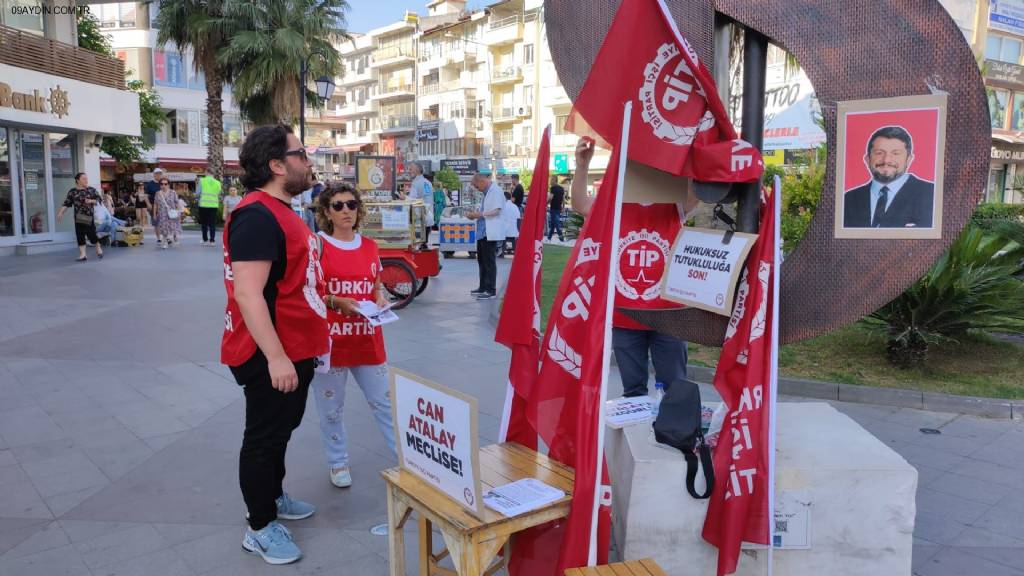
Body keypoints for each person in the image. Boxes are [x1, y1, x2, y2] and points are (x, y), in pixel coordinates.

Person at [221, 124, 327, 565]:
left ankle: (273, 494)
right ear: (277, 165)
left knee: (282, 430)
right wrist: (277, 357)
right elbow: (248, 293)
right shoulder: (257, 216)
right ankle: (260, 525)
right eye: (301, 154)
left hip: (294, 347)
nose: (308, 161)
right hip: (268, 353)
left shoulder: (282, 211)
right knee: (264, 438)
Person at [572, 137, 697, 397]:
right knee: (633, 391)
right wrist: (582, 166)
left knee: (675, 389)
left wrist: (690, 152)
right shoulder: (615, 204)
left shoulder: (674, 202)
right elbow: (581, 204)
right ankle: (636, 434)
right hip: (625, 316)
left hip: (668, 316)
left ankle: (671, 436)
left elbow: (698, 190)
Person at [312, 182, 397, 489]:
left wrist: (381, 299)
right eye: (338, 205)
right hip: (331, 343)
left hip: (367, 339)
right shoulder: (317, 246)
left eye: (351, 204)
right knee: (331, 410)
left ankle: (406, 462)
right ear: (326, 212)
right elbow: (307, 292)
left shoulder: (370, 246)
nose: (346, 210)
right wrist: (336, 302)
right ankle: (337, 462)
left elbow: (374, 286)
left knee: (385, 404)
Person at [843, 125, 935, 229]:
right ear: (867, 159)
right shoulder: (847, 200)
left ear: (909, 159)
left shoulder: (932, 194)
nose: (886, 160)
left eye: (895, 153)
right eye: (879, 153)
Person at [466, 172, 505, 300]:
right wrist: (478, 213)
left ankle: (490, 289)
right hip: (483, 232)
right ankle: (483, 287)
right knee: (481, 260)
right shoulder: (486, 192)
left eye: (477, 187)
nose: (477, 189)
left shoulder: (495, 191)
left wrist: (479, 214)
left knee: (489, 261)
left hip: (490, 232)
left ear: (482, 181)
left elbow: (497, 210)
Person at [56, 172, 104, 262]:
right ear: (78, 180)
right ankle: (83, 255)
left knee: (91, 235)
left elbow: (99, 199)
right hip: (78, 216)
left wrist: (91, 201)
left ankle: (98, 246)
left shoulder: (91, 190)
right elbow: (67, 203)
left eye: (87, 178)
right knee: (80, 235)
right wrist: (60, 213)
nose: (86, 180)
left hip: (88, 216)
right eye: (84, 179)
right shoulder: (73, 191)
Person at [154, 178, 183, 248]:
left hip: (171, 213)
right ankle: (165, 241)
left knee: (172, 226)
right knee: (164, 228)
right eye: (162, 184)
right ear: (160, 185)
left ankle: (174, 236)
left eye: (165, 184)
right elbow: (155, 204)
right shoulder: (158, 193)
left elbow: (177, 202)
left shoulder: (173, 192)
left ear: (168, 185)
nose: (163, 185)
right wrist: (154, 214)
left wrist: (179, 211)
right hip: (162, 213)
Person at [197, 169, 222, 246]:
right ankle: (212, 241)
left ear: (206, 172)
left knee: (204, 223)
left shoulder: (202, 180)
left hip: (203, 204)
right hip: (213, 205)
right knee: (212, 223)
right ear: (213, 173)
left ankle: (205, 240)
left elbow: (197, 192)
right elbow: (219, 193)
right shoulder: (218, 182)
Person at [145, 168, 164, 244]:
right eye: (157, 174)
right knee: (156, 222)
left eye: (160, 174)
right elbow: (146, 196)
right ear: (154, 175)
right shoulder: (150, 184)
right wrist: (148, 204)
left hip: (163, 205)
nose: (158, 175)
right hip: (153, 205)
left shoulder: (163, 183)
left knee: (163, 221)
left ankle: (165, 236)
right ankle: (159, 238)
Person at [501, 190, 520, 255]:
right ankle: (515, 250)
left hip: (504, 232)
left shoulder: (503, 206)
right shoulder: (515, 207)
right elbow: (518, 219)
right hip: (514, 231)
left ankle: (501, 252)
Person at [547, 175, 566, 242]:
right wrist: (563, 207)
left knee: (557, 225)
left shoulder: (553, 188)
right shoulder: (561, 188)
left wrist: (545, 204)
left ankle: (561, 239)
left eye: (551, 180)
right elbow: (563, 199)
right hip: (559, 208)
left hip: (554, 209)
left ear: (554, 180)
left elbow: (550, 198)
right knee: (552, 224)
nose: (550, 181)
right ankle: (549, 238)